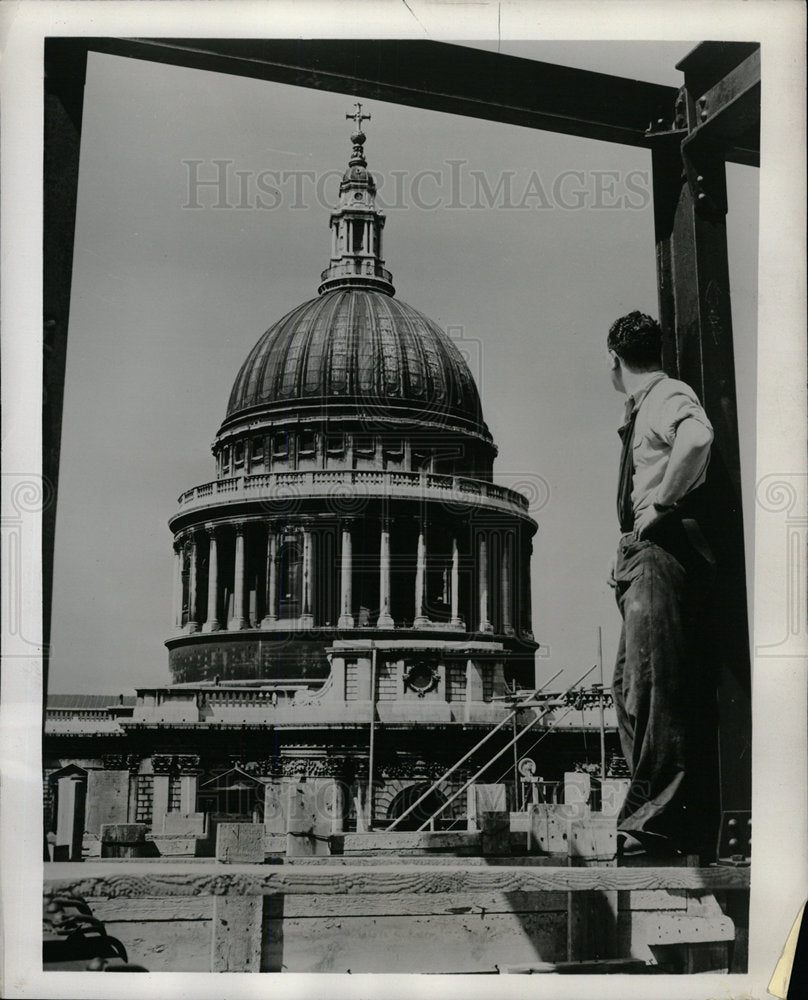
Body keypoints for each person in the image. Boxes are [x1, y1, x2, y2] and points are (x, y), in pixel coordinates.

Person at [606, 311, 718, 859]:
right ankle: (657, 813)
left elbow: (698, 438)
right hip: (641, 555)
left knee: (654, 687)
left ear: (615, 360)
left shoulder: (665, 394)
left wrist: (661, 505)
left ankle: (657, 824)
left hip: (658, 551)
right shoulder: (647, 404)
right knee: (629, 688)